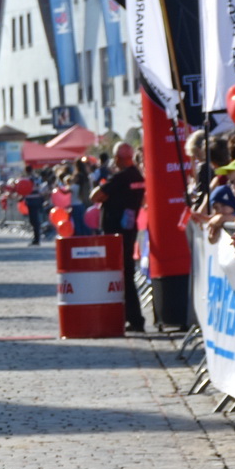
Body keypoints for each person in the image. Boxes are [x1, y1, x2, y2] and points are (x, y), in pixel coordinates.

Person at [91, 142, 145, 332]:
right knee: (126, 274)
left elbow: (95, 196)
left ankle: (132, 318)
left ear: (117, 159)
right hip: (129, 230)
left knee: (120, 276)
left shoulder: (120, 177)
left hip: (116, 234)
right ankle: (132, 317)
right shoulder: (138, 176)